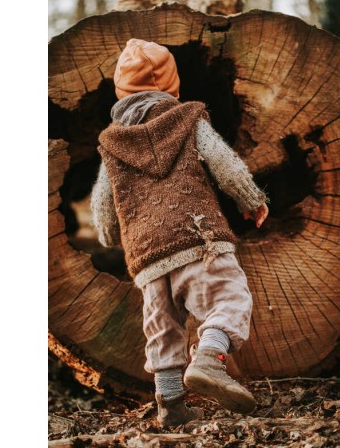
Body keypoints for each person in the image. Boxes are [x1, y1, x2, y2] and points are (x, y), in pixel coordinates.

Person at [91, 38, 269, 427]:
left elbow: (104, 206)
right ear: (172, 87)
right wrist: (250, 198)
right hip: (198, 236)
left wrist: (107, 236)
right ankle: (209, 357)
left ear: (120, 94)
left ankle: (170, 403)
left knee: (161, 327)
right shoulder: (189, 119)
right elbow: (225, 165)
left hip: (147, 257)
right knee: (229, 297)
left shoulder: (112, 143)